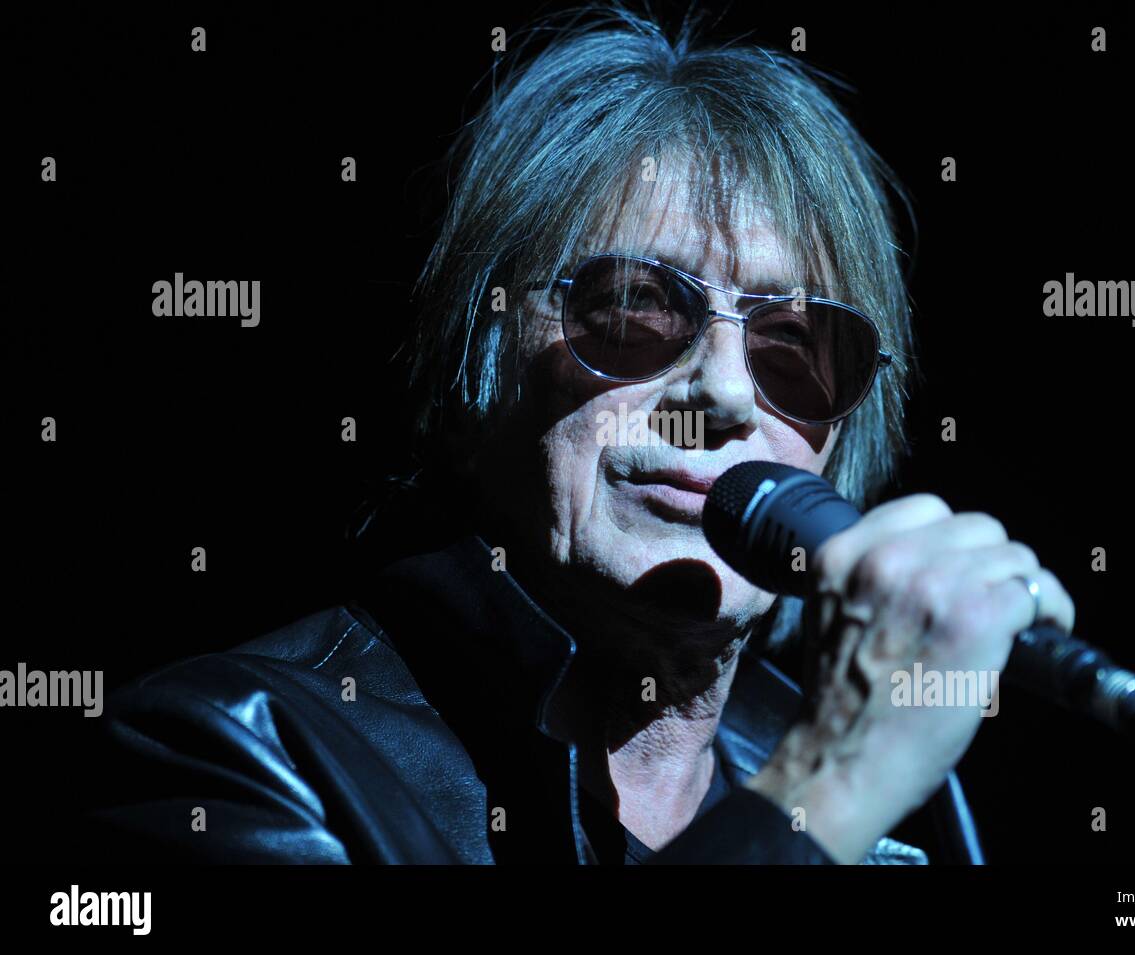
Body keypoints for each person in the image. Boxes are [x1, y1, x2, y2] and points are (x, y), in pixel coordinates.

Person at [80, 5, 1073, 864]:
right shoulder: (244, 749)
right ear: (483, 356)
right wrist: (832, 785)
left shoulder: (900, 816)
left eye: (793, 348)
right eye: (633, 311)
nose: (722, 396)